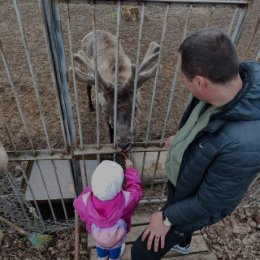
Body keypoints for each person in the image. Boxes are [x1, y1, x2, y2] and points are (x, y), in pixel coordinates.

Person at [131, 27, 260, 260]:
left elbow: (208, 203)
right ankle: (183, 244)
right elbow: (205, 129)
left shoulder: (244, 145)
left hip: (197, 202)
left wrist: (165, 218)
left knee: (141, 252)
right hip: (187, 184)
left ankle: (176, 236)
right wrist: (182, 139)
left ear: (200, 82)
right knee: (176, 211)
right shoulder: (227, 86)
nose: (182, 80)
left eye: (183, 76)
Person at [74, 159, 142, 260]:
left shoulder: (83, 201)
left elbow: (78, 206)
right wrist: (130, 171)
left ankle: (102, 257)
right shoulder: (127, 200)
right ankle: (113, 258)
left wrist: (90, 189)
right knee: (116, 251)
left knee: (100, 248)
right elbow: (136, 190)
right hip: (117, 237)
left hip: (98, 236)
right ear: (119, 187)